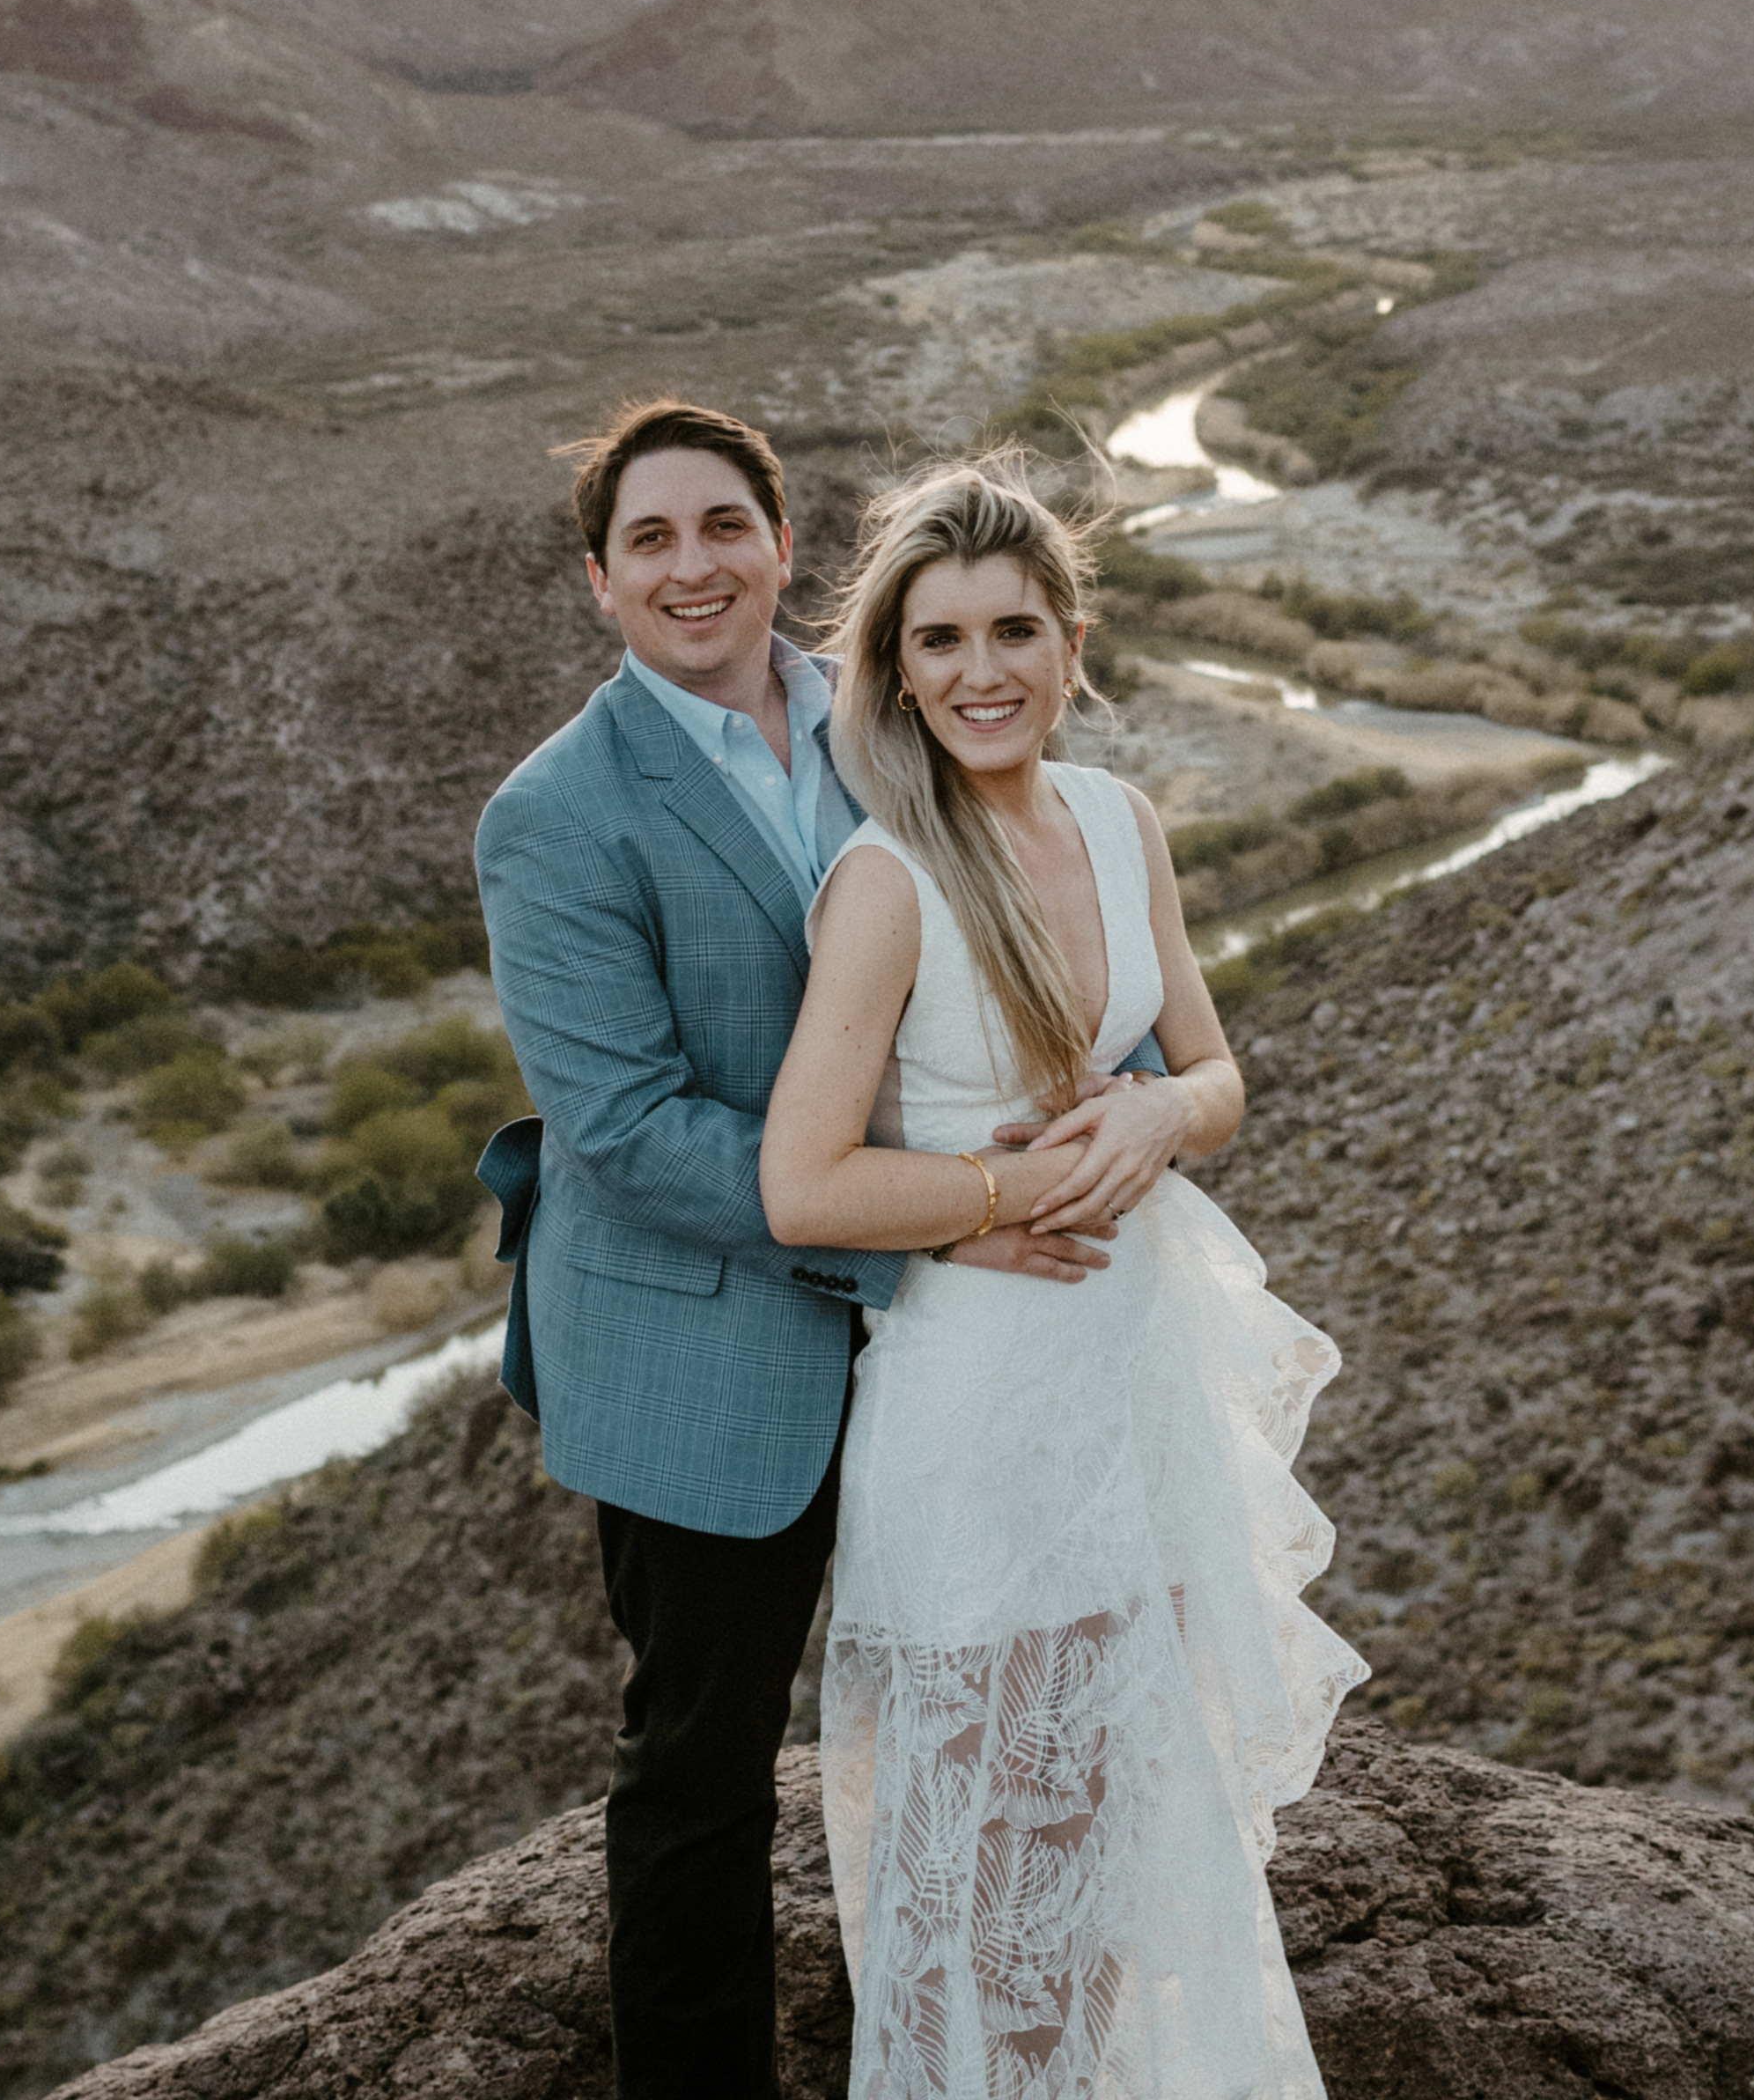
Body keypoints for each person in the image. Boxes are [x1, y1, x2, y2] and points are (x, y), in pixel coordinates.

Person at [475, 402, 1163, 2100]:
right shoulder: (554, 816)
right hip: (704, 1338)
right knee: (701, 1769)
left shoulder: (897, 713)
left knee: (970, 1713)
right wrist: (943, 1212)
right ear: (599, 581)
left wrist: (1138, 1100)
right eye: (651, 540)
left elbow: (1043, 931)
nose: (693, 565)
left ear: (788, 544)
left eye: (726, 526)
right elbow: (621, 1129)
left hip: (951, 1350)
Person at [762, 458, 1361, 2100]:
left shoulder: (1119, 820)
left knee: (1118, 1827)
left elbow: (1216, 1069)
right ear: (892, 668)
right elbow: (801, 1182)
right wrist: (1009, 1185)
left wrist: (1165, 1108)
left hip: (1132, 1386)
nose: (980, 673)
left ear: (1072, 638)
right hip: (977, 1410)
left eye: (1013, 630)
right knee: (992, 1874)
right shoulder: (889, 881)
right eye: (938, 640)